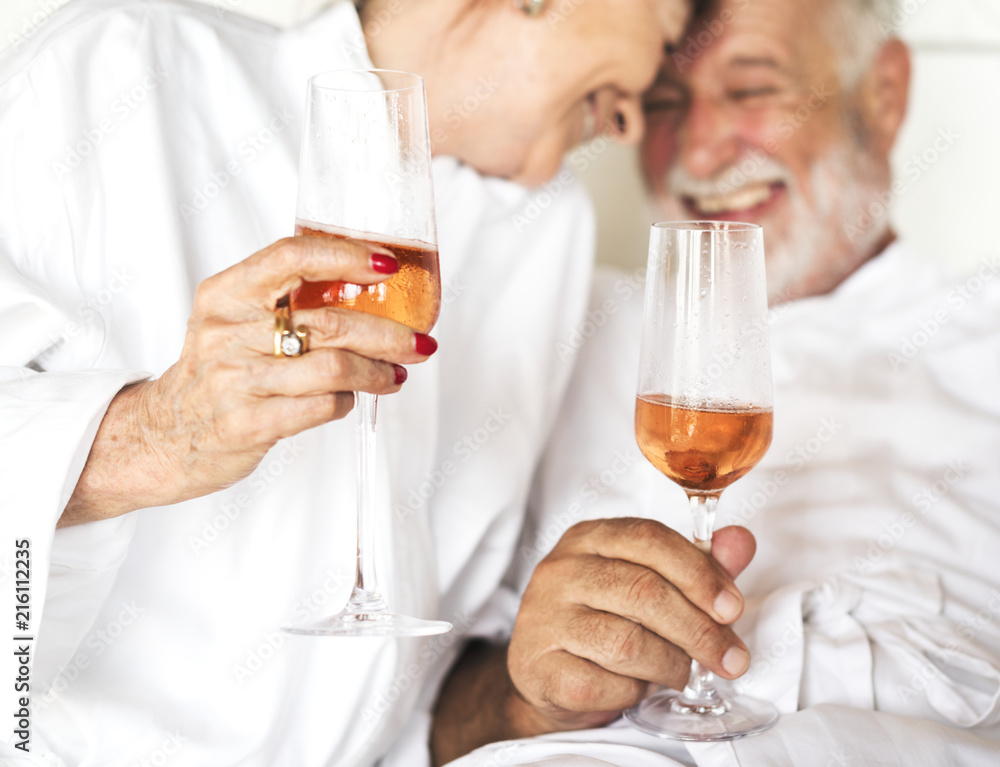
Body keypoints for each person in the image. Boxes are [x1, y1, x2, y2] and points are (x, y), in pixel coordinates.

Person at [0, 0, 699, 764]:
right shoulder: (125, 71)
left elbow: (423, 697)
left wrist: (526, 694)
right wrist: (154, 432)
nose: (634, 121)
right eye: (661, 38)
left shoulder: (550, 227)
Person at [433, 0, 1000, 764]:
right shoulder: (555, 326)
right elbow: (424, 719)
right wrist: (524, 698)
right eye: (665, 102)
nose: (698, 153)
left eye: (752, 90)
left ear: (885, 93)